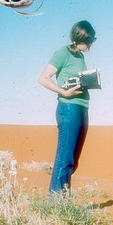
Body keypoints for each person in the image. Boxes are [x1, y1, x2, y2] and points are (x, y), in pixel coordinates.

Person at [38, 20, 97, 194]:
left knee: (73, 160)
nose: (92, 44)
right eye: (90, 40)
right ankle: (55, 202)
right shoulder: (63, 53)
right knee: (65, 158)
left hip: (82, 108)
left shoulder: (80, 56)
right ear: (81, 38)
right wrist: (63, 92)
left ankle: (63, 199)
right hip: (69, 108)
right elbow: (43, 78)